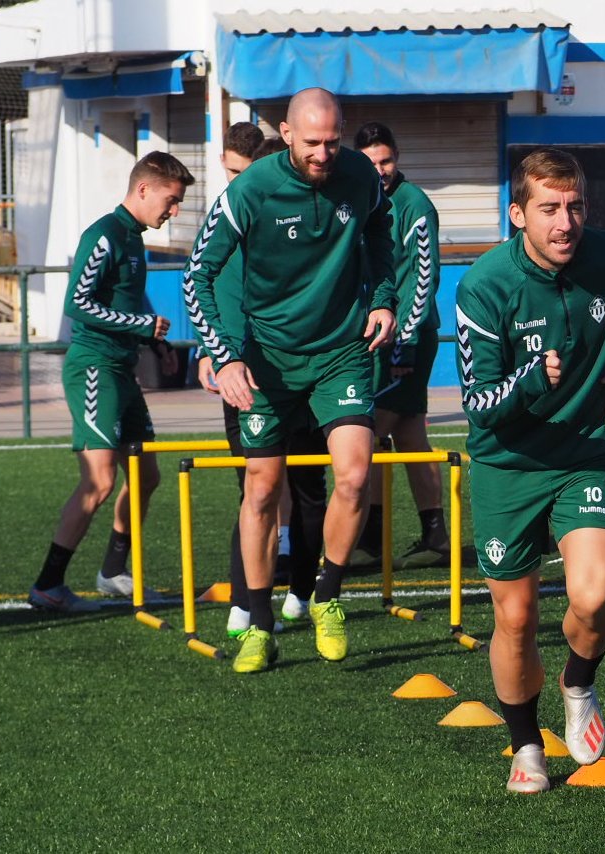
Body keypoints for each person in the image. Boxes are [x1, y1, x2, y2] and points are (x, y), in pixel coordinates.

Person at [455, 148, 605, 793]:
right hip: (506, 465)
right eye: (548, 209)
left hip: (585, 455)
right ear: (518, 214)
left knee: (594, 597)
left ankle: (578, 685)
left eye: (574, 207)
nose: (565, 222)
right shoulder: (484, 285)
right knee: (514, 619)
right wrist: (526, 381)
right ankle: (524, 746)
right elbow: (479, 406)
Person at [183, 87, 397, 673]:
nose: (324, 154)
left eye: (332, 141)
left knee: (354, 475)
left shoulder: (360, 175)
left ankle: (326, 595)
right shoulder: (250, 190)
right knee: (261, 488)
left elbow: (380, 237)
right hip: (268, 360)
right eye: (311, 143)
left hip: (340, 353)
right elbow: (197, 274)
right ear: (285, 131)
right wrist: (225, 356)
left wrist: (382, 298)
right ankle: (256, 622)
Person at [29, 152, 193, 612]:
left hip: (122, 369)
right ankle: (48, 585)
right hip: (95, 368)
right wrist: (140, 326)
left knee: (145, 476)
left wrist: (154, 339)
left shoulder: (134, 237)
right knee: (99, 482)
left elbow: (128, 296)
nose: (174, 210)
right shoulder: (103, 234)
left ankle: (114, 572)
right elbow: (77, 304)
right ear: (144, 189)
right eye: (171, 200)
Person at [193, 129, 327, 639]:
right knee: (257, 486)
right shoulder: (232, 215)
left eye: (242, 170)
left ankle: (302, 592)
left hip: (312, 369)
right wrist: (216, 353)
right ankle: (248, 605)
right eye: (229, 171)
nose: (238, 181)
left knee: (310, 485)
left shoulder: (310, 215)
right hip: (249, 372)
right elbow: (205, 282)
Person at [350, 121, 448, 569]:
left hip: (408, 338)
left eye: (386, 160)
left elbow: (424, 280)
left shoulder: (415, 206)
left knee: (365, 436)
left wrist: (405, 343)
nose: (380, 169)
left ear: (398, 157)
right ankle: (435, 535)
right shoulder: (360, 199)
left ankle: (367, 539)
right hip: (376, 337)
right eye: (371, 162)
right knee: (410, 436)